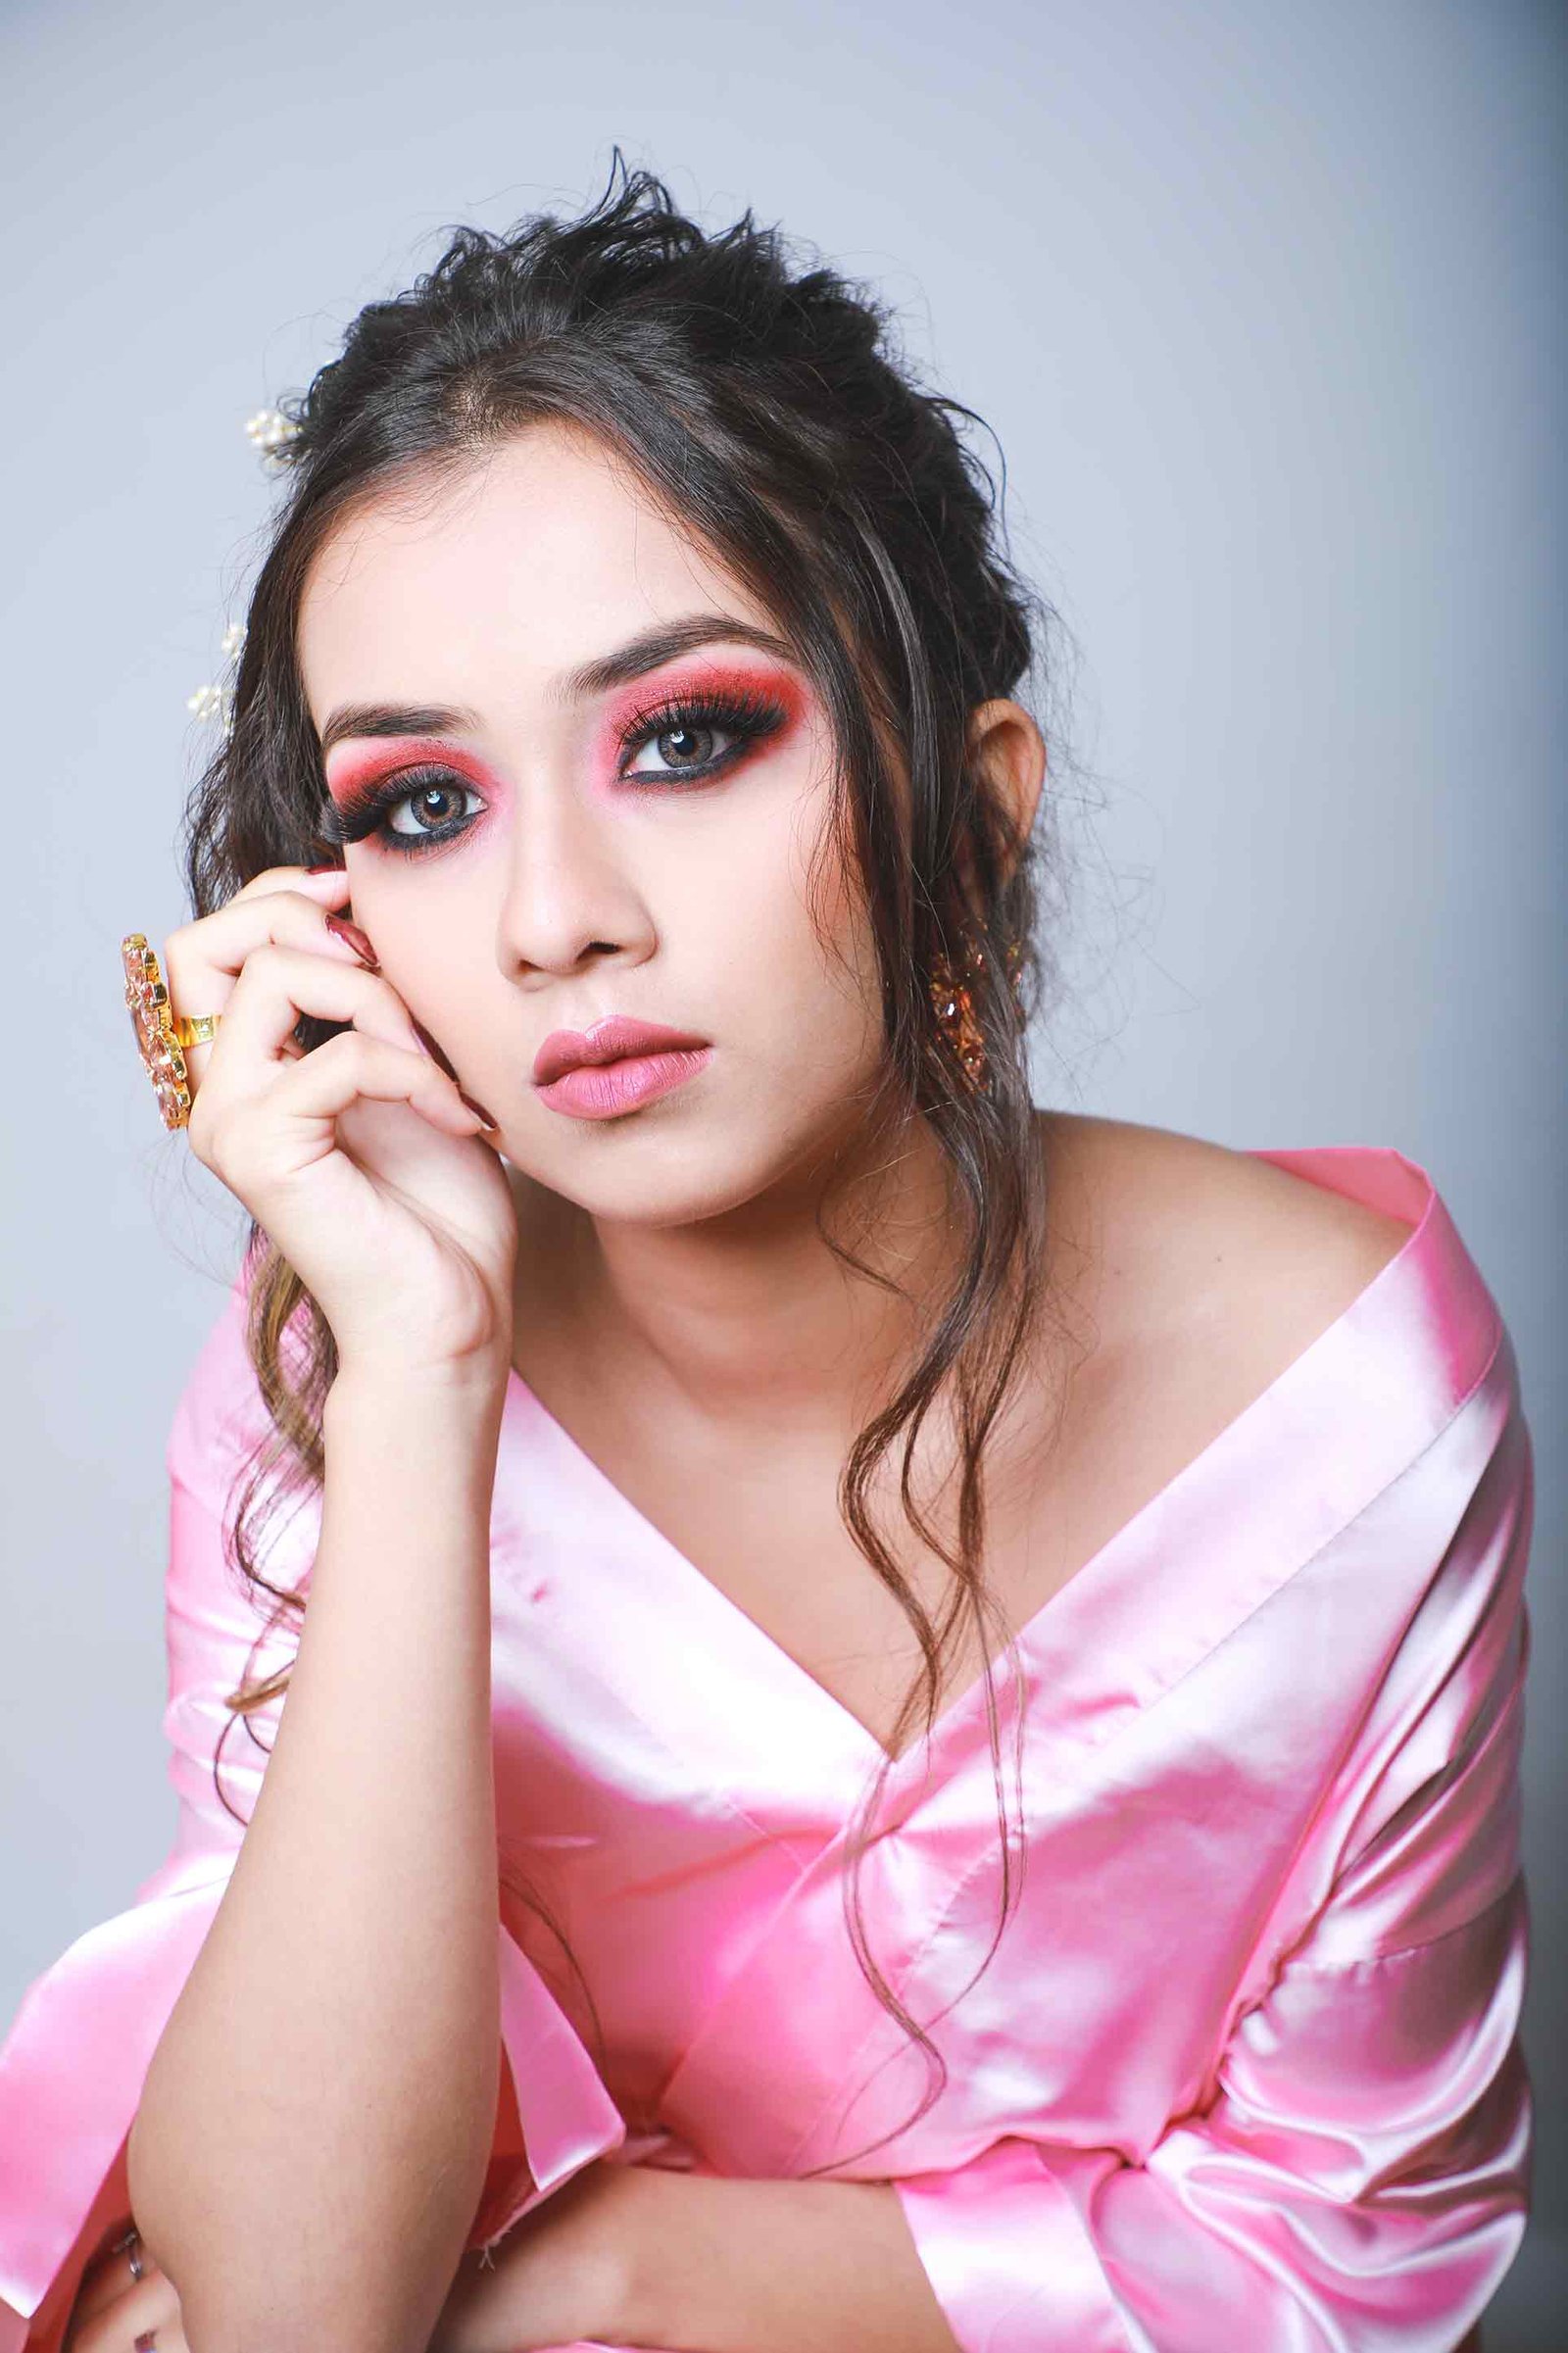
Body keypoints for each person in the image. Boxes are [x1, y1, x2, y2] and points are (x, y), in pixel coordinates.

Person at [0, 156, 1532, 2353]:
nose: (555, 919)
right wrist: (420, 1383)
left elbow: (1346, 2250)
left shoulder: (1345, 1403)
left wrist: (601, 2266)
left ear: (970, 808)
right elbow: (293, 2315)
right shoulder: (338, 1372)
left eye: (686, 739)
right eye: (424, 802)